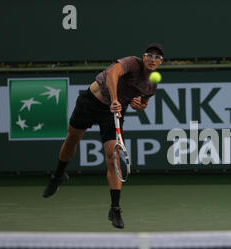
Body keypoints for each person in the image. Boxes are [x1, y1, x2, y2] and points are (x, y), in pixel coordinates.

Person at [42, 43, 164, 229]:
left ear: (161, 62)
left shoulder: (152, 84)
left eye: (157, 57)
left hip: (112, 114)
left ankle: (115, 208)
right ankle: (58, 175)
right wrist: (115, 99)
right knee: (72, 138)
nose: (153, 59)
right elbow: (112, 74)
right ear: (143, 57)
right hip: (91, 102)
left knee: (113, 156)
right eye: (150, 55)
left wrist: (139, 105)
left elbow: (142, 102)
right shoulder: (132, 63)